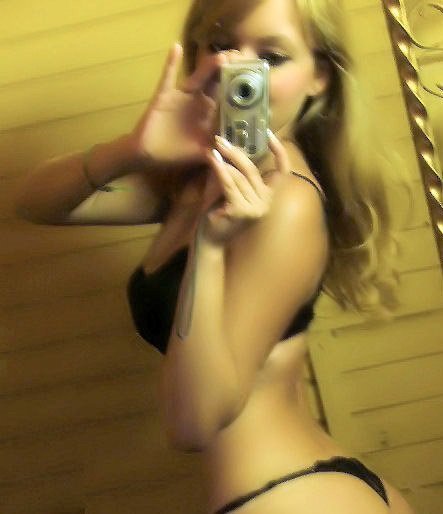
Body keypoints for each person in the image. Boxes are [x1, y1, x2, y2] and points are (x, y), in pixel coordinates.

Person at [15, 0, 416, 512]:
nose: (240, 70)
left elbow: (192, 424)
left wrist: (208, 247)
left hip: (289, 497)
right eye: (222, 45)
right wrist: (132, 147)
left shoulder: (287, 203)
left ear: (319, 76)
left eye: (271, 57)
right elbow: (35, 203)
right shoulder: (197, 176)